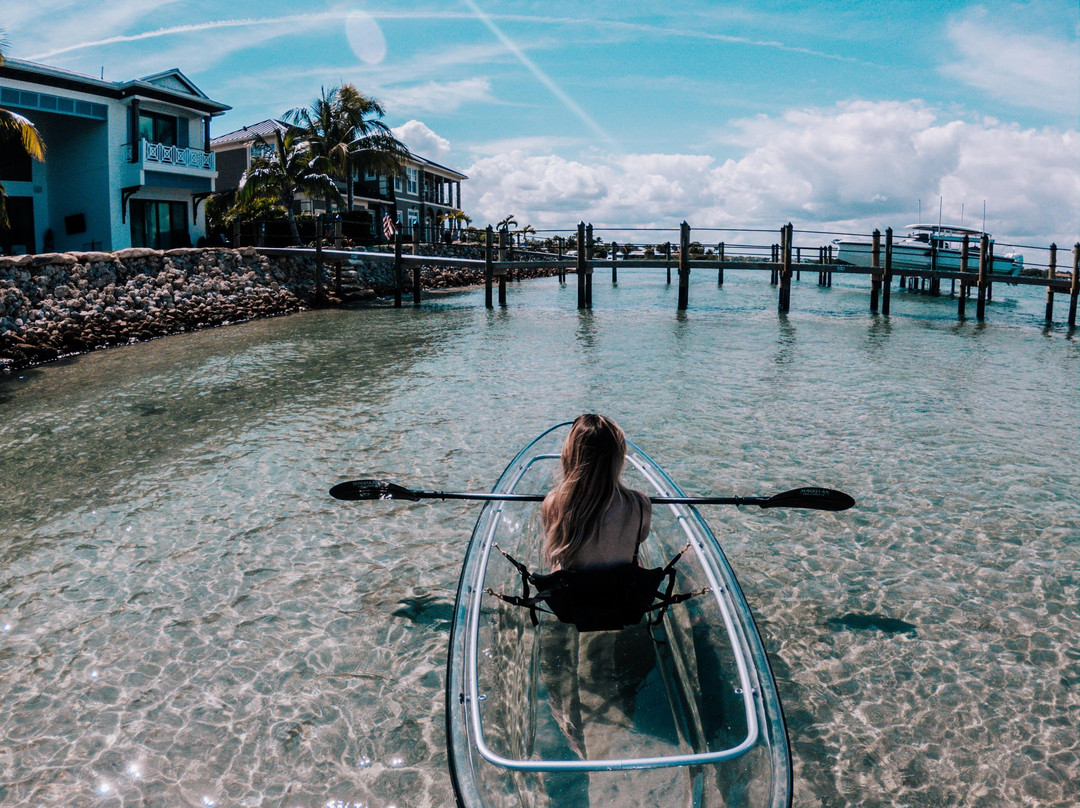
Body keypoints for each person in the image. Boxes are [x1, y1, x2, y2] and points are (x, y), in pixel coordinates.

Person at [541, 414, 651, 573]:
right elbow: (640, 538)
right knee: (635, 554)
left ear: (570, 456)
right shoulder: (640, 504)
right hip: (623, 594)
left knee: (558, 559)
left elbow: (555, 546)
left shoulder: (552, 503)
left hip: (574, 594)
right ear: (618, 458)